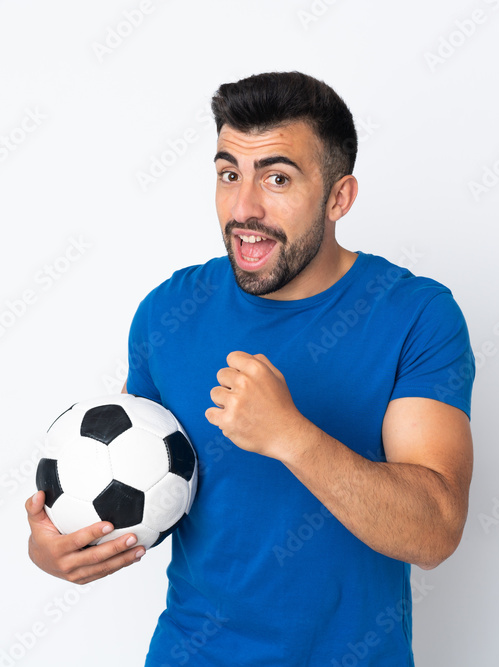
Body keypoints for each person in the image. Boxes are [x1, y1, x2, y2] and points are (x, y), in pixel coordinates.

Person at [25, 71, 475, 666]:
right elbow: (140, 485)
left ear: (339, 197)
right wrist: (60, 547)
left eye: (278, 178)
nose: (244, 208)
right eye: (228, 174)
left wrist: (291, 436)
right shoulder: (167, 313)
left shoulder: (417, 314)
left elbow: (435, 532)